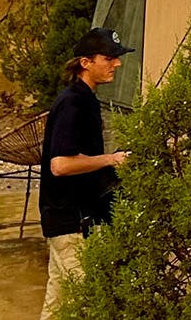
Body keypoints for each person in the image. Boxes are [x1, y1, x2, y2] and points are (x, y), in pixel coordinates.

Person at [39, 26, 131, 319]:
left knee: (58, 306)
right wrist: (111, 160)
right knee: (93, 303)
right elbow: (60, 164)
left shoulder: (86, 98)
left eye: (117, 57)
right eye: (109, 58)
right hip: (70, 223)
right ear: (86, 63)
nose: (116, 63)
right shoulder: (72, 102)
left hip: (73, 221)